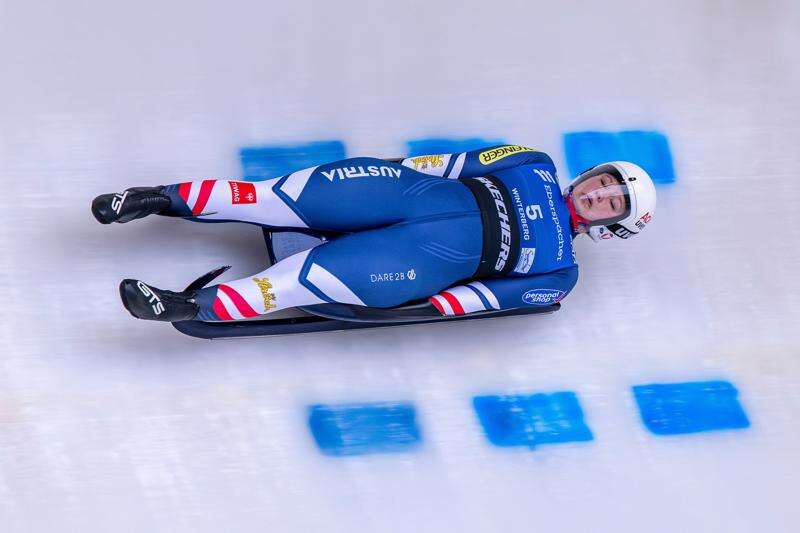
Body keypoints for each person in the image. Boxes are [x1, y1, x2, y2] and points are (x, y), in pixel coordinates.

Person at [91, 145, 656, 322]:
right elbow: (447, 165)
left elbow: (475, 301)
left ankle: (183, 305)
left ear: (612, 227)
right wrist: (388, 173)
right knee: (269, 195)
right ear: (592, 174)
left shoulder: (560, 275)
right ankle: (150, 199)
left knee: (298, 281)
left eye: (612, 203)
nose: (599, 194)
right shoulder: (532, 162)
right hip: (402, 193)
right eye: (605, 182)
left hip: (413, 259)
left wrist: (409, 305)